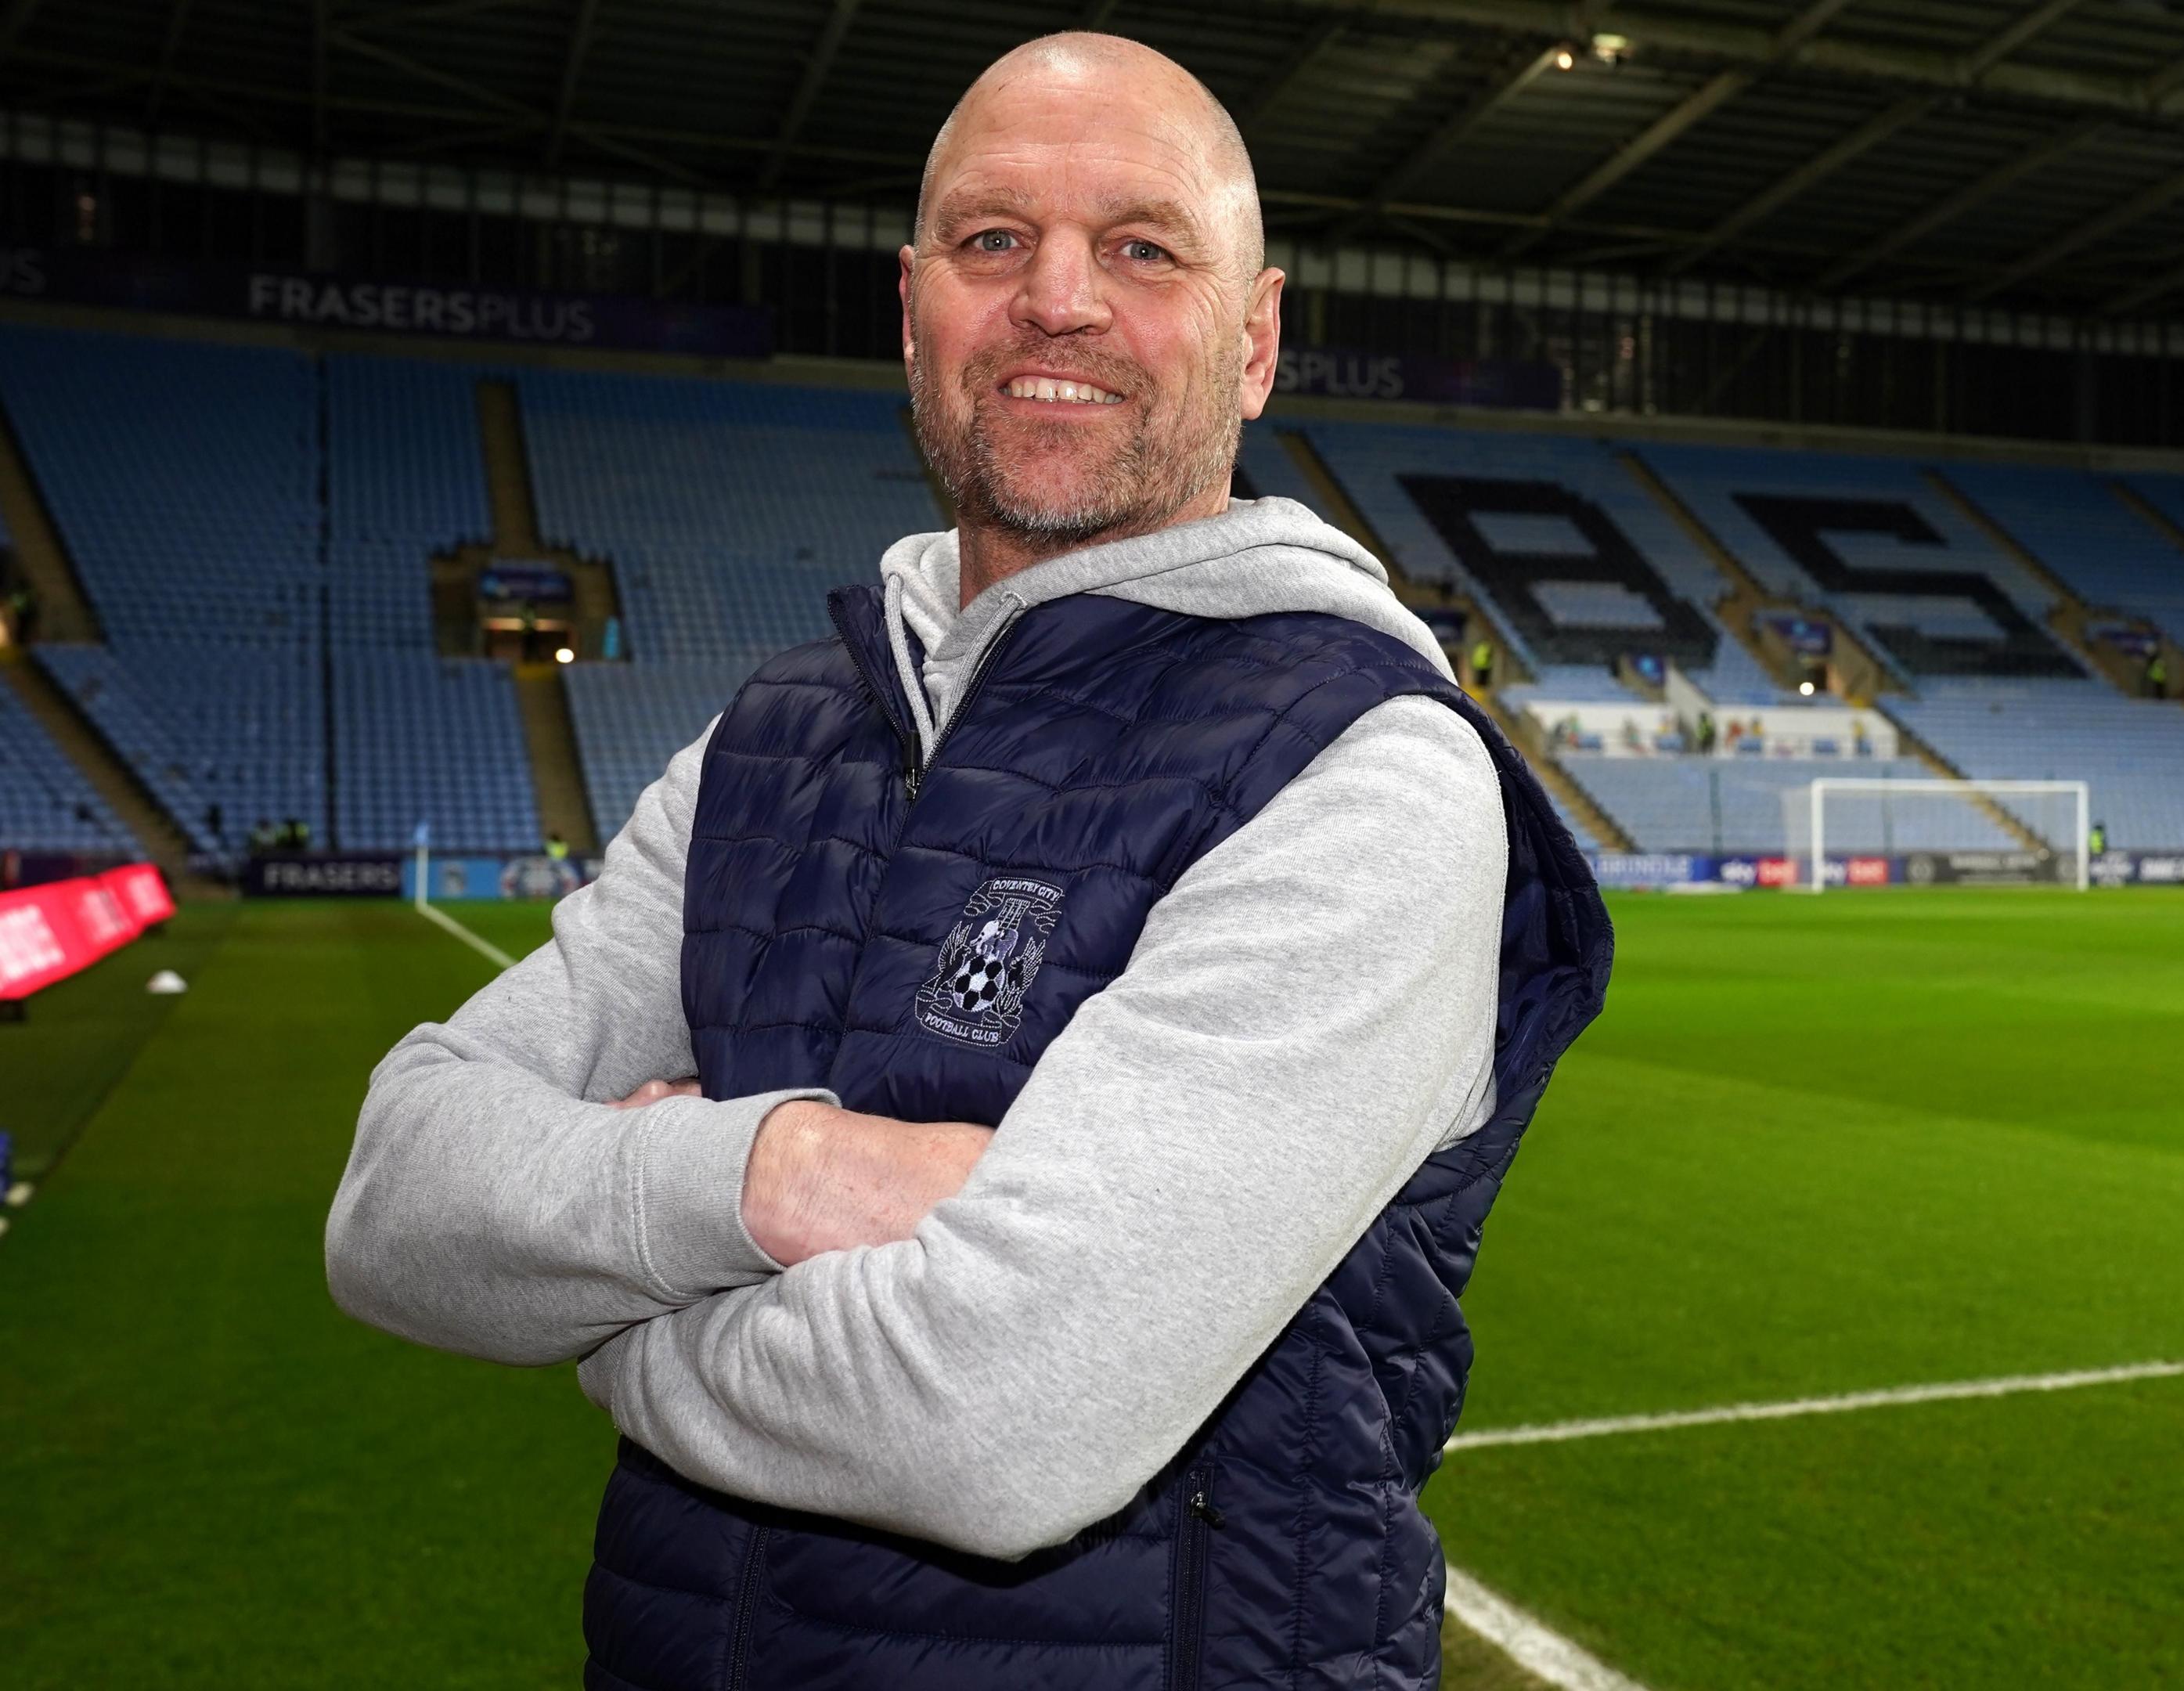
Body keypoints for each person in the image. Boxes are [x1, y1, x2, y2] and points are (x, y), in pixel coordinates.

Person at [324, 35, 1609, 1690]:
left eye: (1144, 248)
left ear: (1259, 337)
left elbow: (997, 1420)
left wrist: (600, 1296)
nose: (1057, 300)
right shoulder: (773, 741)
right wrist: (774, 1176)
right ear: (914, 305)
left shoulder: (1366, 766)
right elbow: (392, 1203)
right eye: (993, 241)